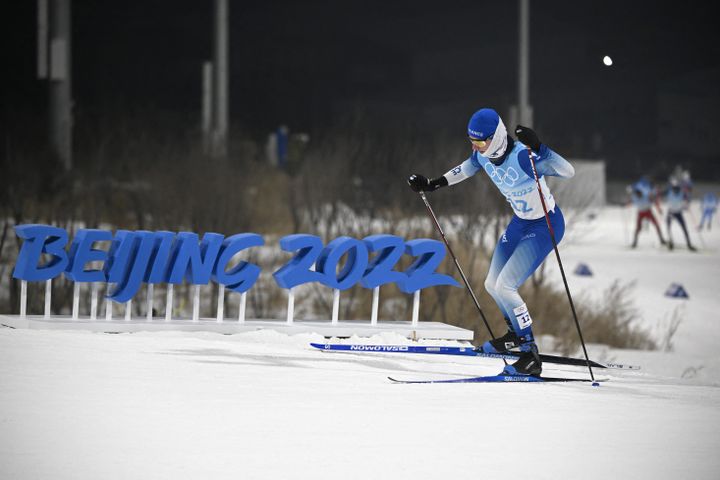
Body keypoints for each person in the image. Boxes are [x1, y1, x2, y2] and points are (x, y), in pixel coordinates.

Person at [407, 108, 574, 376]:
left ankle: (530, 354)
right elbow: (465, 169)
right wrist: (432, 184)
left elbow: (568, 171)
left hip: (546, 224)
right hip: (521, 222)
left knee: (507, 286)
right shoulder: (482, 157)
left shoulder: (522, 156)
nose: (477, 147)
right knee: (491, 284)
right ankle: (514, 335)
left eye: (481, 141)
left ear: (496, 137)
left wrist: (540, 147)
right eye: (472, 142)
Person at [627, 177, 666, 248]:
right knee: (638, 228)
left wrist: (659, 209)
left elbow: (654, 201)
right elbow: (629, 203)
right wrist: (624, 205)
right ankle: (634, 242)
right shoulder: (635, 197)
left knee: (656, 225)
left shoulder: (646, 196)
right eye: (637, 194)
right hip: (641, 213)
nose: (638, 195)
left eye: (639, 194)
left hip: (648, 211)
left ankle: (662, 240)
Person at [664, 179, 696, 251]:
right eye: (674, 189)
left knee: (684, 228)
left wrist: (687, 204)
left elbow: (687, 199)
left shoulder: (682, 193)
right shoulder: (669, 192)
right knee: (668, 227)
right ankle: (670, 242)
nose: (675, 191)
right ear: (672, 189)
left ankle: (689, 244)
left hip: (678, 213)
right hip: (671, 212)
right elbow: (659, 193)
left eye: (677, 189)